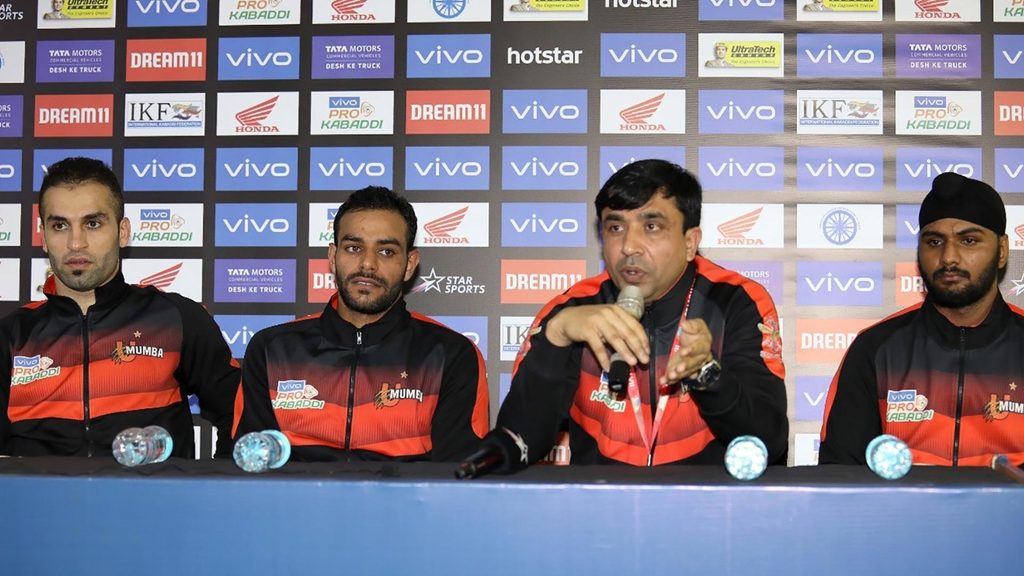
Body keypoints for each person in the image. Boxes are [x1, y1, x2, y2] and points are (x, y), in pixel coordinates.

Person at [481, 159, 788, 470]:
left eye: (651, 226)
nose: (628, 246)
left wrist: (708, 376)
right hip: (599, 509)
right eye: (615, 227)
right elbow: (518, 443)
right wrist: (555, 340)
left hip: (708, 510)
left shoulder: (736, 301)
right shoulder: (571, 312)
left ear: (690, 242)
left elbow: (769, 442)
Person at [0, 157, 239, 457]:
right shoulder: (12, 336)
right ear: (43, 237)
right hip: (36, 504)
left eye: (93, 223)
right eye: (60, 225)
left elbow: (240, 416)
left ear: (123, 232)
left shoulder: (176, 319)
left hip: (152, 504)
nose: (76, 243)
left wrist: (209, 489)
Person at [233, 186, 489, 462]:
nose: (368, 264)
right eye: (354, 248)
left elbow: (457, 479)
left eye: (387, 251)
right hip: (295, 506)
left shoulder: (450, 355)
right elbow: (252, 467)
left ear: (410, 264)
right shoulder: (273, 351)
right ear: (333, 256)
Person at [820, 173, 1024, 467]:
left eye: (969, 241)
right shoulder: (876, 349)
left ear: (1002, 251)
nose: (948, 257)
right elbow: (840, 477)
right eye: (934, 241)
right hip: (901, 515)